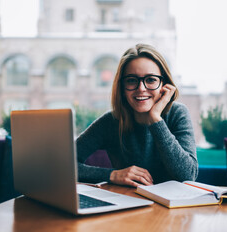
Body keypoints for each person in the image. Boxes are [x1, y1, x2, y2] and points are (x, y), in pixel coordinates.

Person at [76, 44, 198, 187]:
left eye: (151, 80)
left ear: (164, 84)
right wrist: (112, 174)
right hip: (128, 203)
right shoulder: (112, 121)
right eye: (132, 80)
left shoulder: (177, 113)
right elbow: (61, 164)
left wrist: (155, 119)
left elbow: (188, 175)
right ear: (122, 87)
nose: (141, 88)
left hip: (173, 207)